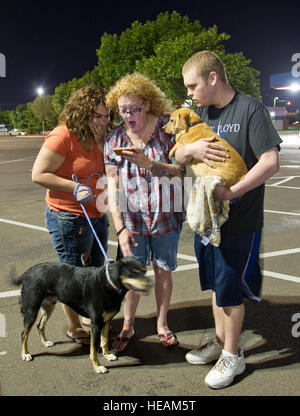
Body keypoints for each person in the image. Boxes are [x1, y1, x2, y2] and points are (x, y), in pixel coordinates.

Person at [175, 50, 282, 389]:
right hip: (207, 219)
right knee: (216, 285)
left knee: (231, 289)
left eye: (193, 85)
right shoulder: (200, 112)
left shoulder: (251, 109)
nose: (189, 93)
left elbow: (270, 162)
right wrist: (191, 151)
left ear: (212, 78)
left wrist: (233, 193)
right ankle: (221, 343)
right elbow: (177, 154)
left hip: (240, 221)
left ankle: (233, 356)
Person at [104, 72, 186, 353]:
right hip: (133, 221)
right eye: (122, 109)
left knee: (163, 271)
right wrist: (120, 228)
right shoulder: (114, 138)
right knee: (133, 276)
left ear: (148, 104)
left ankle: (163, 324)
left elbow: (182, 171)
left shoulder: (167, 129)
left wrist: (148, 162)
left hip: (167, 215)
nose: (127, 115)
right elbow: (111, 188)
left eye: (134, 109)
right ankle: (128, 324)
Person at [32, 86, 111, 344]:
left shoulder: (100, 136)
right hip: (68, 216)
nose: (103, 121)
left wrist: (101, 143)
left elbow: (105, 170)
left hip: (97, 213)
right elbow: (39, 174)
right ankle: (74, 326)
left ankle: (90, 312)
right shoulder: (62, 135)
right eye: (97, 116)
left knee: (97, 270)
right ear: (82, 112)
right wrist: (73, 186)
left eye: (107, 116)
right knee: (73, 274)